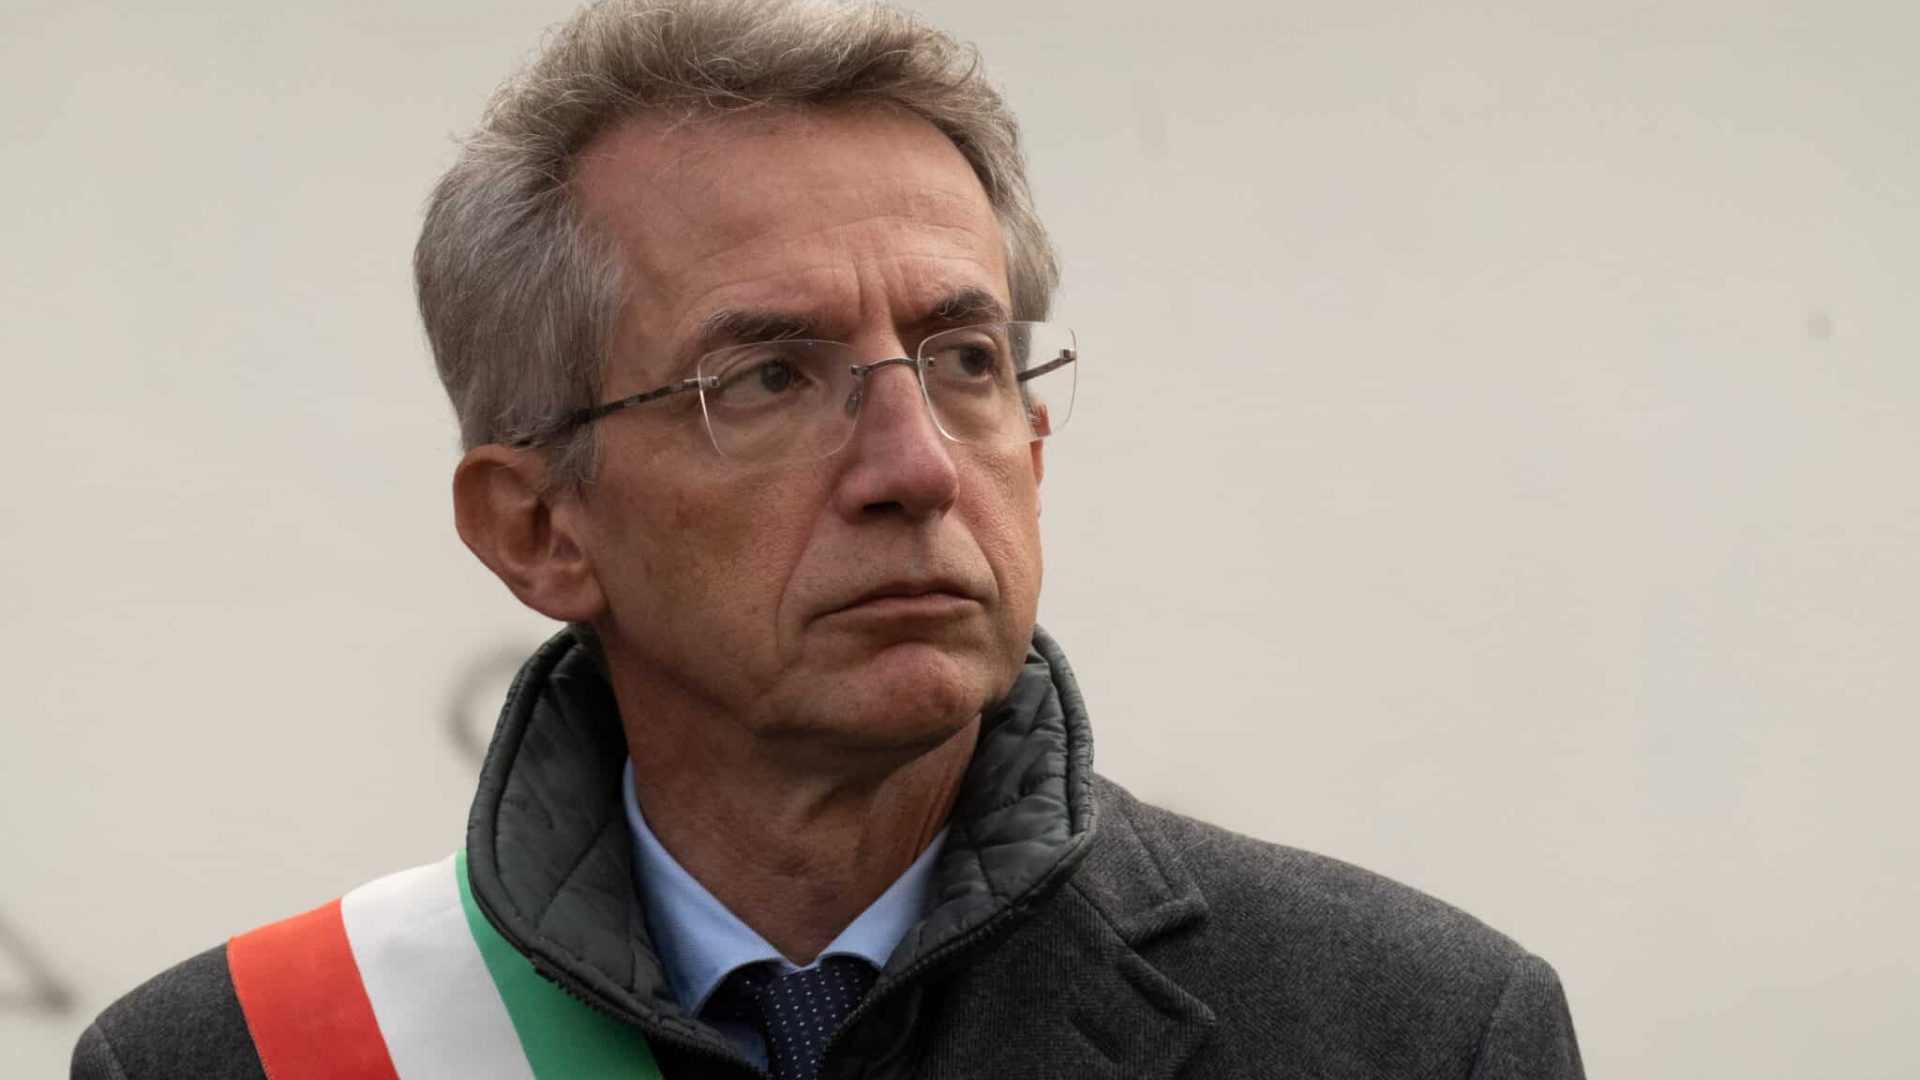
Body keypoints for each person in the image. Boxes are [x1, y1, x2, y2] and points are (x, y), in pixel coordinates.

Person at [72, 1, 1584, 1077]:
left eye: (967, 359)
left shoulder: (1414, 1031)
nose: (914, 466)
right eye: (772, 378)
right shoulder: (243, 1056)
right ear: (537, 529)